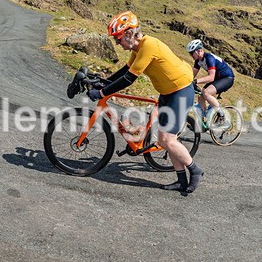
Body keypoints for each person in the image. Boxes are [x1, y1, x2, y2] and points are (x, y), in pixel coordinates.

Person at [87, 11, 204, 193]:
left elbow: (129, 79)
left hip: (180, 91)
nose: (117, 43)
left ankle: (195, 170)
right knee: (167, 139)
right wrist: (104, 81)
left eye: (118, 38)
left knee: (166, 140)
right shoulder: (138, 48)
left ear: (128, 34)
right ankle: (181, 180)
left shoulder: (148, 45)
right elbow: (125, 71)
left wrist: (102, 91)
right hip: (167, 92)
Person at [186, 39, 235, 123]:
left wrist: (196, 81)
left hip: (227, 78)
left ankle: (221, 115)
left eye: (191, 53)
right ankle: (203, 120)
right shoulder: (198, 61)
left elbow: (211, 77)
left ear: (198, 51)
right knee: (201, 96)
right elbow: (192, 75)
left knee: (206, 93)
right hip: (218, 79)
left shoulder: (209, 58)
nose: (191, 55)